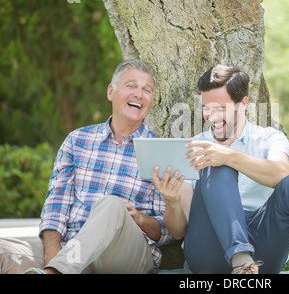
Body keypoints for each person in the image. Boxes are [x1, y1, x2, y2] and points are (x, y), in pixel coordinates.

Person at [0, 59, 192, 274]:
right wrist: (54, 260)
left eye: (147, 90)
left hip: (122, 255)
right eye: (131, 86)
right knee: (3, 252)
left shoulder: (159, 153)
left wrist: (137, 216)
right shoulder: (77, 140)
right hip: (70, 251)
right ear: (111, 91)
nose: (139, 94)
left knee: (112, 205)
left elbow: (167, 233)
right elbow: (55, 209)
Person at [181, 64, 289, 274]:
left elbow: (281, 174)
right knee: (215, 166)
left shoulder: (269, 138)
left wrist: (230, 156)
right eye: (206, 108)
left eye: (220, 108)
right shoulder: (195, 146)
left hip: (262, 253)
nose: (211, 116)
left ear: (243, 104)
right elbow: (186, 224)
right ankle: (241, 261)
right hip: (210, 250)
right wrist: (172, 200)